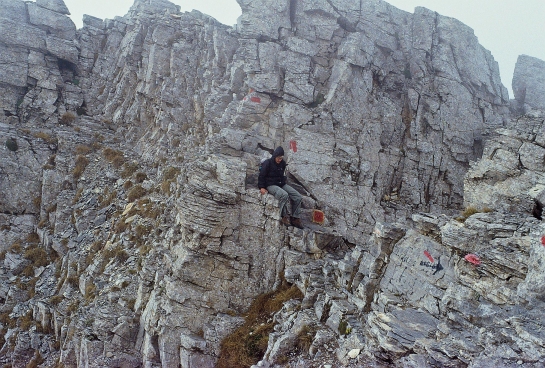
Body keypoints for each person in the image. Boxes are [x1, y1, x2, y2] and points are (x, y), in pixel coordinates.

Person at [258, 146, 303, 229]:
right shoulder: (268, 163)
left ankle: (295, 218)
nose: (280, 160)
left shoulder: (282, 163)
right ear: (275, 156)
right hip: (270, 185)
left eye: (281, 158)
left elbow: (282, 175)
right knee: (284, 195)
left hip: (280, 184)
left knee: (298, 197)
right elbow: (262, 175)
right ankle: (283, 216)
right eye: (278, 158)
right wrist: (261, 187)